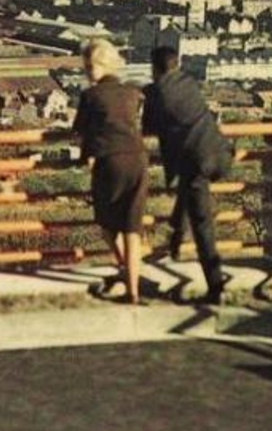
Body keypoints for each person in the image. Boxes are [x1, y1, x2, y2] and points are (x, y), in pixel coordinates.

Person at [143, 46, 232, 305]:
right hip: (219, 153)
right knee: (189, 193)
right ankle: (174, 240)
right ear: (177, 63)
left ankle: (216, 285)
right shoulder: (190, 82)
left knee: (202, 222)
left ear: (154, 67)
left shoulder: (156, 93)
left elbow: (148, 127)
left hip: (197, 162)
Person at [70, 38, 149, 304]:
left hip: (110, 161)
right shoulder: (133, 93)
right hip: (138, 160)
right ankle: (133, 290)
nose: (86, 71)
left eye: (88, 66)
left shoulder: (90, 96)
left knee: (107, 226)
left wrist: (87, 155)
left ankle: (125, 271)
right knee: (132, 228)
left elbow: (79, 129)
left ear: (97, 66)